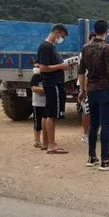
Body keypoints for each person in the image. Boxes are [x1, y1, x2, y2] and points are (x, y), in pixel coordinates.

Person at [78, 20, 109, 171]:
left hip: (91, 89)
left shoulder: (85, 47)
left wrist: (82, 90)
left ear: (95, 30)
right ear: (107, 31)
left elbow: (81, 70)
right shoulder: (106, 48)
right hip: (105, 88)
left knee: (93, 124)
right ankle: (105, 159)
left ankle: (92, 157)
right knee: (106, 125)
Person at [37, 24, 74, 154]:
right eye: (62, 36)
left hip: (52, 83)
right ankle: (51, 145)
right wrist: (60, 66)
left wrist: (64, 64)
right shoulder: (46, 47)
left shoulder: (51, 47)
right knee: (52, 114)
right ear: (57, 33)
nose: (62, 39)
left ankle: (46, 142)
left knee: (47, 113)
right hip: (53, 84)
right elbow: (43, 67)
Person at [79, 32, 97, 144]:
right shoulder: (85, 53)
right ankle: (85, 134)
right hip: (86, 86)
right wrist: (83, 90)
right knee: (87, 112)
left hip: (95, 86)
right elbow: (84, 73)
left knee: (95, 111)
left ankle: (93, 133)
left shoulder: (100, 51)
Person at [30, 65, 48, 150]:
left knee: (47, 121)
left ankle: (47, 140)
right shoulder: (36, 76)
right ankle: (37, 140)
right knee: (37, 122)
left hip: (47, 103)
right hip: (37, 103)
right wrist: (46, 90)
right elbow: (33, 88)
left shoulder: (49, 75)